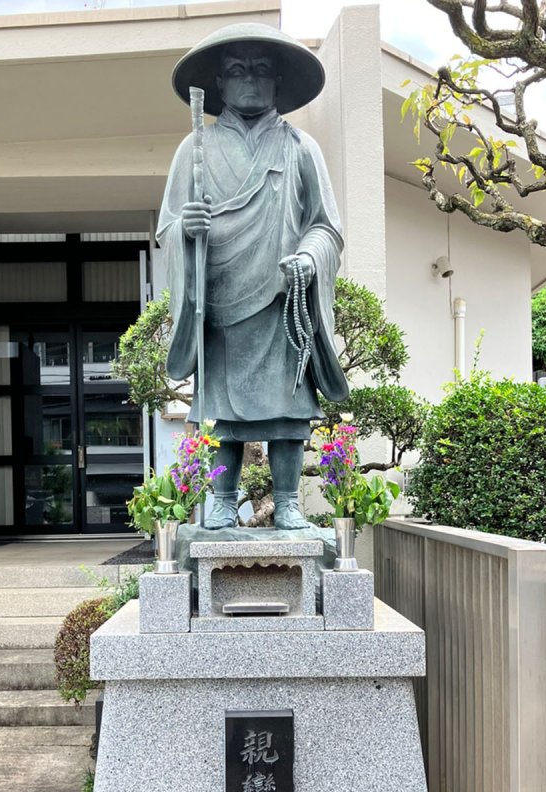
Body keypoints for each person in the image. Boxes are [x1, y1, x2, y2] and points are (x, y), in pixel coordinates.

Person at [157, 23, 348, 529]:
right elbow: (167, 227)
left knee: (286, 412)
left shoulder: (300, 148)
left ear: (278, 82)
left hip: (282, 300)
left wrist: (309, 259)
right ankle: (222, 498)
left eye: (261, 70)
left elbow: (326, 227)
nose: (249, 81)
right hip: (220, 303)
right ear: (218, 83)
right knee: (222, 412)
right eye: (237, 71)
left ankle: (287, 499)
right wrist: (186, 229)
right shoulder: (192, 150)